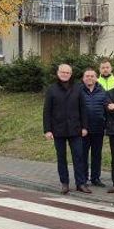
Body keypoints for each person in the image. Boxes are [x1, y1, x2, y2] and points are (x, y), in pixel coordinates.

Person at [43, 64, 90, 194]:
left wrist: (85, 127)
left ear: (71, 74)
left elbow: (83, 109)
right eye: (62, 72)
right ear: (58, 73)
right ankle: (65, 183)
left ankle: (81, 183)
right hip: (58, 129)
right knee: (61, 158)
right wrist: (47, 130)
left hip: (76, 130)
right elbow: (47, 111)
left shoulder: (78, 88)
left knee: (79, 157)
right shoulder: (52, 89)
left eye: (67, 72)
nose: (65, 74)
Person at [79, 68, 110, 187]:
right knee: (82, 155)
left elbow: (106, 110)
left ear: (96, 78)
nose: (89, 78)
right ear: (83, 78)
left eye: (92, 76)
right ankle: (83, 178)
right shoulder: (78, 91)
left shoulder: (103, 92)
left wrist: (106, 125)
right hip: (83, 130)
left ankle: (95, 178)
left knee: (97, 155)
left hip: (98, 128)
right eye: (87, 76)